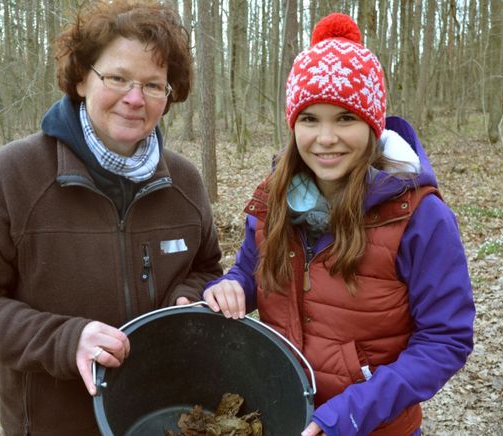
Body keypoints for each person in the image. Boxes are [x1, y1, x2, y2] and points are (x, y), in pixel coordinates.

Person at [0, 1, 222, 434]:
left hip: (161, 417)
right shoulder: (15, 175)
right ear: (83, 78)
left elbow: (205, 268)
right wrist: (66, 341)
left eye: (153, 85)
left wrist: (186, 296)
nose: (135, 98)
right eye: (118, 78)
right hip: (54, 421)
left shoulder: (184, 182)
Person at [203, 13, 475, 436]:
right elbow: (250, 272)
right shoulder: (272, 200)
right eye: (310, 119)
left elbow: (445, 340)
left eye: (344, 118)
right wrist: (232, 286)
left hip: (374, 426)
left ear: (372, 123)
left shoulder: (420, 216)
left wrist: (349, 414)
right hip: (279, 417)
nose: (325, 138)